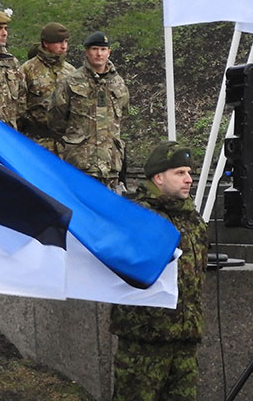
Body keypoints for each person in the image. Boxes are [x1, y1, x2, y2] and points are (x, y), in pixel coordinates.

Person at [110, 141, 208, 401]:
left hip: (185, 337)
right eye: (180, 173)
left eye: (189, 173)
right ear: (158, 178)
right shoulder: (138, 216)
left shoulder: (194, 221)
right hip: (145, 339)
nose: (188, 179)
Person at [48, 31, 129, 188]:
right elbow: (55, 120)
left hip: (110, 166)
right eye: (95, 49)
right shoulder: (71, 82)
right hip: (80, 164)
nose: (99, 54)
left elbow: (121, 117)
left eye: (103, 50)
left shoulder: (118, 83)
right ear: (86, 51)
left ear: (109, 52)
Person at [19, 22, 76, 155]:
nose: (64, 46)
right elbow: (18, 109)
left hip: (64, 146)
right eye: (59, 42)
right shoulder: (27, 70)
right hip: (35, 143)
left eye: (66, 41)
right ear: (46, 43)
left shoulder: (71, 72)